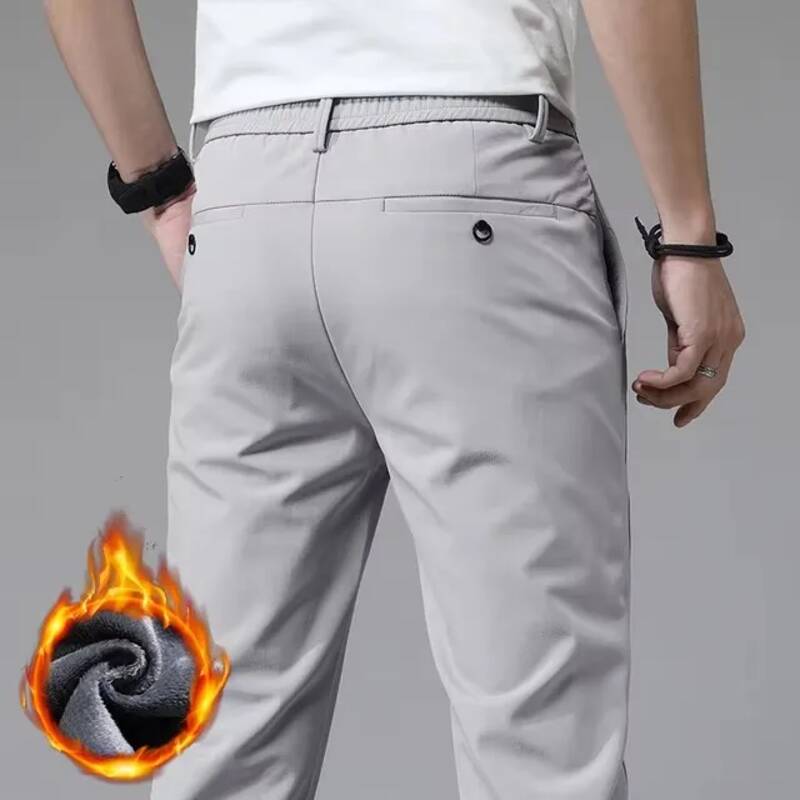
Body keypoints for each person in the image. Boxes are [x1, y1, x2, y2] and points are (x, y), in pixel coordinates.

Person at [44, 1, 745, 798]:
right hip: (473, 185)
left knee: (221, 745)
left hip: (244, 198)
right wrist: (689, 236)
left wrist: (162, 188)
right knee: (538, 750)